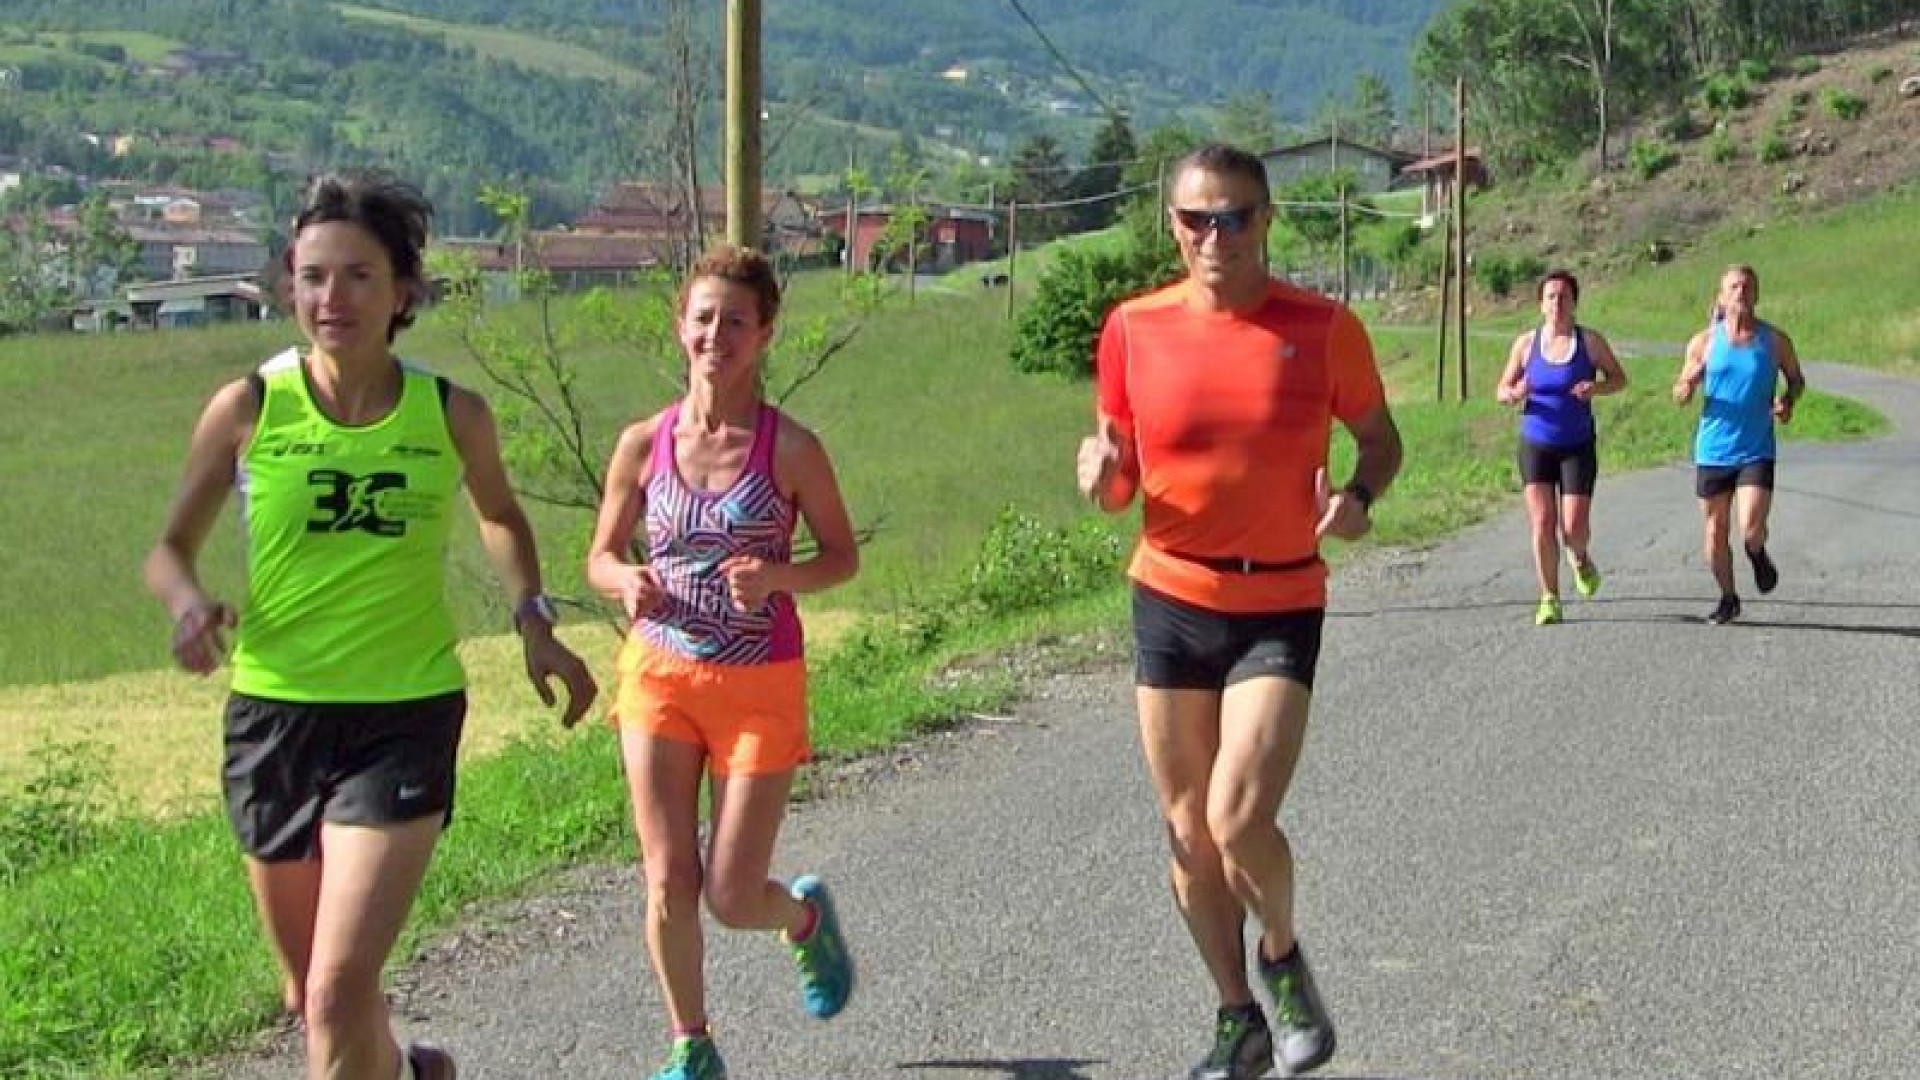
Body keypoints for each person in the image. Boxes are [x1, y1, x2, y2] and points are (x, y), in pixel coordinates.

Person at [145, 170, 597, 1080]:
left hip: (404, 713)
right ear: (288, 288)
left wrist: (533, 619)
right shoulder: (249, 408)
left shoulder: (449, 414)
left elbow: (500, 515)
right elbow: (168, 548)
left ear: (403, 293)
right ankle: (409, 1072)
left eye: (357, 276)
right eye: (312, 277)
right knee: (310, 992)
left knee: (336, 989)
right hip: (275, 716)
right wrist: (190, 606)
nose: (331, 298)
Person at [1076, 145, 1403, 1080]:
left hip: (1280, 595)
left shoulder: (1323, 327)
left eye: (1235, 217)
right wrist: (1102, 478)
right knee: (1185, 827)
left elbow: (1381, 440)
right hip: (1171, 590)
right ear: (1170, 225)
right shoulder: (1132, 329)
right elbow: (1120, 467)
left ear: (1268, 220)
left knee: (1236, 816)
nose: (1214, 236)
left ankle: (1283, 958)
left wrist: (1358, 497)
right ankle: (1237, 1018)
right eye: (1195, 220)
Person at [586, 245, 860, 1080]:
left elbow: (841, 558)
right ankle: (691, 1046)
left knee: (732, 895)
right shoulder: (643, 443)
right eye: (703, 318)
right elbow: (597, 555)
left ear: (765, 335)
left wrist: (778, 576)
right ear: (681, 327)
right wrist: (622, 579)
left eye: (736, 321)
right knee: (668, 877)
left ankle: (803, 922)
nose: (717, 335)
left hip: (758, 685)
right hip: (661, 675)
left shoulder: (791, 450)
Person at [1672, 264, 1805, 625]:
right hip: (1713, 449)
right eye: (1733, 287)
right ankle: (1728, 597)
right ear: (1721, 297)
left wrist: (1787, 400)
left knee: (1749, 526)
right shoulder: (1703, 342)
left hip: (1756, 448)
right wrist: (1689, 383)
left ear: (1757, 295)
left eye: (1747, 287)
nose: (1740, 293)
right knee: (1714, 534)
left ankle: (1756, 551)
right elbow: (1680, 393)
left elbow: (1795, 379)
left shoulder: (1775, 341)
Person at [1494, 270, 1629, 626]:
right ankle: (1549, 597)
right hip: (1536, 443)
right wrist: (1513, 393)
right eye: (1551, 296)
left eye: (1564, 296)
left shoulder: (1590, 343)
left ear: (1575, 302)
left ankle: (1580, 560)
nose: (1557, 303)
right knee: (1541, 522)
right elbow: (1502, 389)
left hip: (1577, 445)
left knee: (1573, 528)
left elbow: (1619, 379)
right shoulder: (1526, 344)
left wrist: (1595, 389)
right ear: (1541, 304)